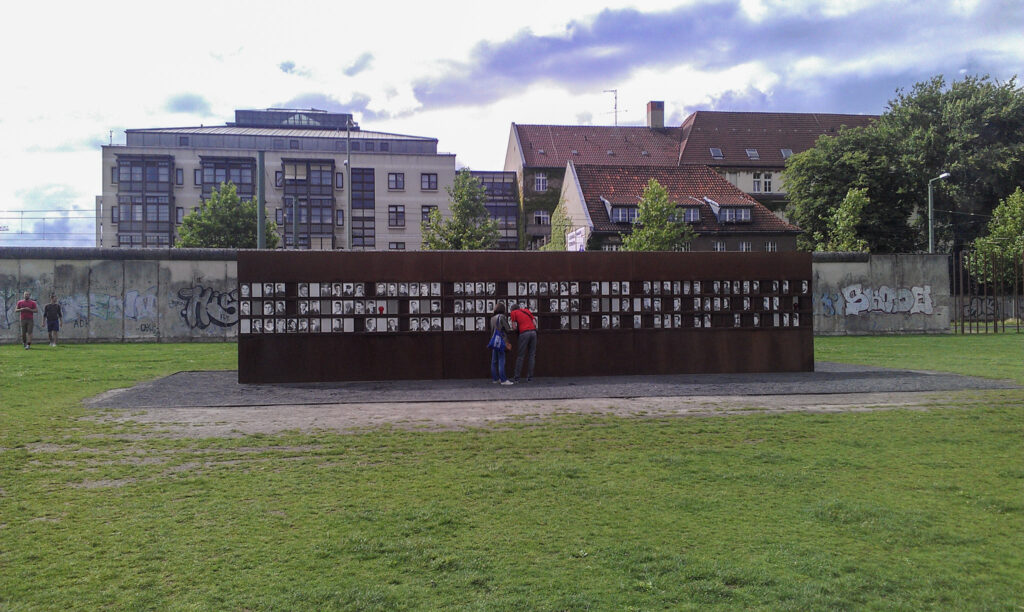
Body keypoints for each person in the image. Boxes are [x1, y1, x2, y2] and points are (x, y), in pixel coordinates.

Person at [509, 302, 538, 382]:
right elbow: (535, 323)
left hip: (524, 333)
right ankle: (530, 377)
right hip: (533, 332)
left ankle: (517, 377)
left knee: (521, 356)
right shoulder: (527, 311)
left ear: (512, 309)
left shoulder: (513, 313)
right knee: (532, 355)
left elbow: (514, 327)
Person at [489, 302, 514, 385]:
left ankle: (495, 379)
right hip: (501, 340)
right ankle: (503, 380)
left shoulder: (492, 318)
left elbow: (492, 330)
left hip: (494, 340)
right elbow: (507, 329)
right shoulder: (502, 317)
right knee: (501, 360)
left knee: (494, 361)